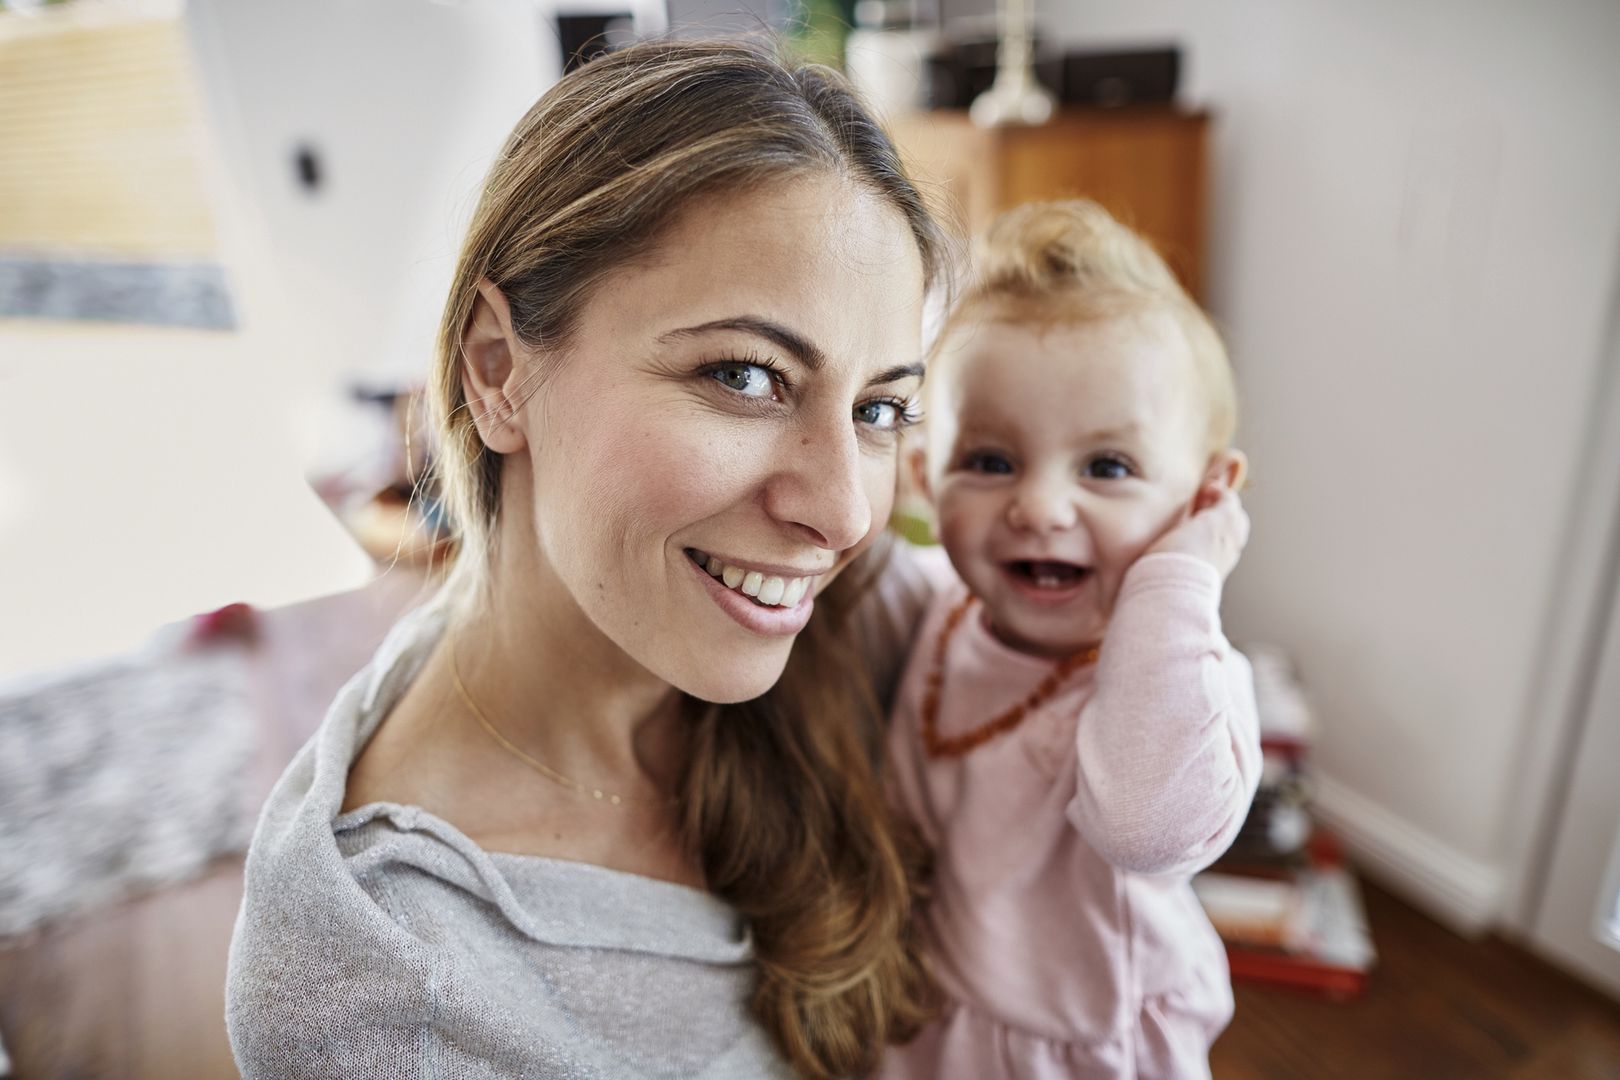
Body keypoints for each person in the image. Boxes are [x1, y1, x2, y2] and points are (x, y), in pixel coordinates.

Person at [224, 38, 953, 1079]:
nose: (841, 512)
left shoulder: (848, 623)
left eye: (880, 407)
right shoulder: (389, 999)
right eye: (746, 376)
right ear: (497, 372)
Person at [882, 200, 1263, 1079]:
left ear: (1206, 497)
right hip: (933, 1008)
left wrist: (1182, 577)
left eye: (1107, 467)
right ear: (922, 478)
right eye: (989, 460)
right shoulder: (943, 603)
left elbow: (1145, 828)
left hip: (1078, 1044)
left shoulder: (1187, 682)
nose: (1042, 507)